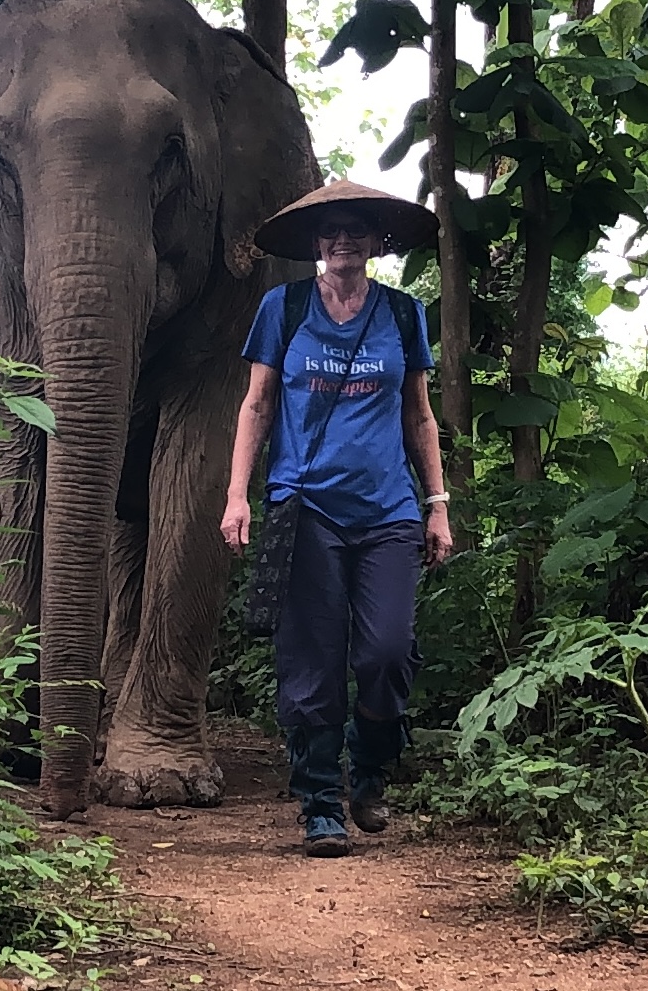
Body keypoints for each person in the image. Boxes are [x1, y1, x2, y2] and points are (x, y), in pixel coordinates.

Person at [220, 179, 453, 858]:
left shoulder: (403, 314)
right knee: (311, 662)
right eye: (332, 232)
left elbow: (419, 416)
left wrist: (437, 504)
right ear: (317, 246)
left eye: (357, 231)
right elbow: (257, 406)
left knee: (386, 651)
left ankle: (371, 770)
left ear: (377, 244)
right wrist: (238, 494)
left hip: (388, 511)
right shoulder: (284, 308)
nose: (344, 240)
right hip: (305, 508)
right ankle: (320, 802)